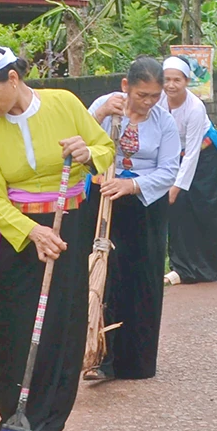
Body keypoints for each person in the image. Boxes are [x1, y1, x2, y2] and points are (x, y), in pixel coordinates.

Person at [0, 45, 114, 431]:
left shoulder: (64, 104)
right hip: (20, 232)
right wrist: (31, 232)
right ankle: (14, 416)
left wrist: (88, 154)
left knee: (59, 323)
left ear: (13, 79)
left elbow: (104, 149)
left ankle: (45, 424)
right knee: (7, 322)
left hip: (69, 224)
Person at [82, 57, 181, 381]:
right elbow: (76, 141)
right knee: (103, 277)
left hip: (144, 208)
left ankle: (134, 363)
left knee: (140, 281)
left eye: (156, 95)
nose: (150, 102)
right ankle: (96, 356)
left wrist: (131, 184)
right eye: (143, 95)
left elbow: (169, 170)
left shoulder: (164, 122)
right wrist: (98, 115)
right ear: (126, 86)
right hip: (104, 203)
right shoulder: (105, 106)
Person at [160, 56, 217, 285]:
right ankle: (180, 268)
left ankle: (210, 268)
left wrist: (176, 187)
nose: (171, 85)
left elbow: (192, 152)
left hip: (204, 159)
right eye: (167, 79)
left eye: (177, 80)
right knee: (178, 212)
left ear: (187, 81)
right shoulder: (159, 100)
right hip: (175, 156)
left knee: (204, 211)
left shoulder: (194, 107)